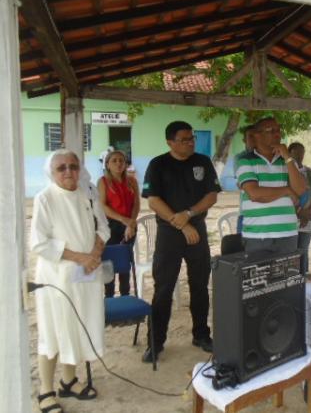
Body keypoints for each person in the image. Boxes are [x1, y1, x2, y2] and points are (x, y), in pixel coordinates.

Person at [31, 149, 110, 413]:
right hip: (57, 279)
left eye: (73, 166)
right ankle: (45, 390)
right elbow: (39, 243)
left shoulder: (88, 193)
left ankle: (68, 380)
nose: (68, 172)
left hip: (86, 275)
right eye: (61, 167)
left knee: (76, 325)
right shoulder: (45, 198)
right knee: (53, 330)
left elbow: (103, 227)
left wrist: (96, 252)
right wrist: (81, 257)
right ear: (51, 172)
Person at [141, 121, 221, 362]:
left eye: (192, 138)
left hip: (196, 228)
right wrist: (182, 223)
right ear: (170, 142)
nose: (190, 142)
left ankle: (201, 334)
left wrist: (190, 215)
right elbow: (153, 200)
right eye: (185, 139)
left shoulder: (202, 162)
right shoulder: (158, 164)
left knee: (199, 285)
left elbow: (212, 195)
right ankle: (155, 342)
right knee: (163, 288)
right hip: (169, 232)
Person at [235, 117, 306, 254]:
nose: (277, 134)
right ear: (257, 136)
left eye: (278, 130)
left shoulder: (288, 162)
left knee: (287, 276)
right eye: (271, 131)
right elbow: (255, 194)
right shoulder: (245, 161)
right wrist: (286, 190)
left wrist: (287, 156)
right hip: (257, 236)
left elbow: (300, 189)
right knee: (258, 276)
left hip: (287, 234)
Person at [97, 149, 140, 297]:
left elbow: (136, 205)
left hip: (129, 226)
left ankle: (125, 296)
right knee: (108, 263)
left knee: (124, 262)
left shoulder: (132, 181)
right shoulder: (103, 182)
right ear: (107, 164)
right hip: (110, 226)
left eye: (121, 160)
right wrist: (124, 220)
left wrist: (130, 223)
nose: (118, 163)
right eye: (114, 161)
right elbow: (102, 206)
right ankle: (109, 298)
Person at [289, 142, 311, 273]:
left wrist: (310, 211)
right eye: (295, 152)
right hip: (291, 218)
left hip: (308, 218)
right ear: (289, 153)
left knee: (303, 250)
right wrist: (299, 212)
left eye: (302, 152)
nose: (299, 155)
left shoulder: (310, 172)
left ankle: (304, 280)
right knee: (291, 252)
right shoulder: (286, 171)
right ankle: (292, 281)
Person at [234, 124, 256, 233]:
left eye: (256, 136)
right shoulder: (240, 158)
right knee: (243, 247)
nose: (254, 139)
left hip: (264, 213)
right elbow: (241, 183)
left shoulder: (266, 156)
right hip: (245, 212)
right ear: (244, 140)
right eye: (250, 136)